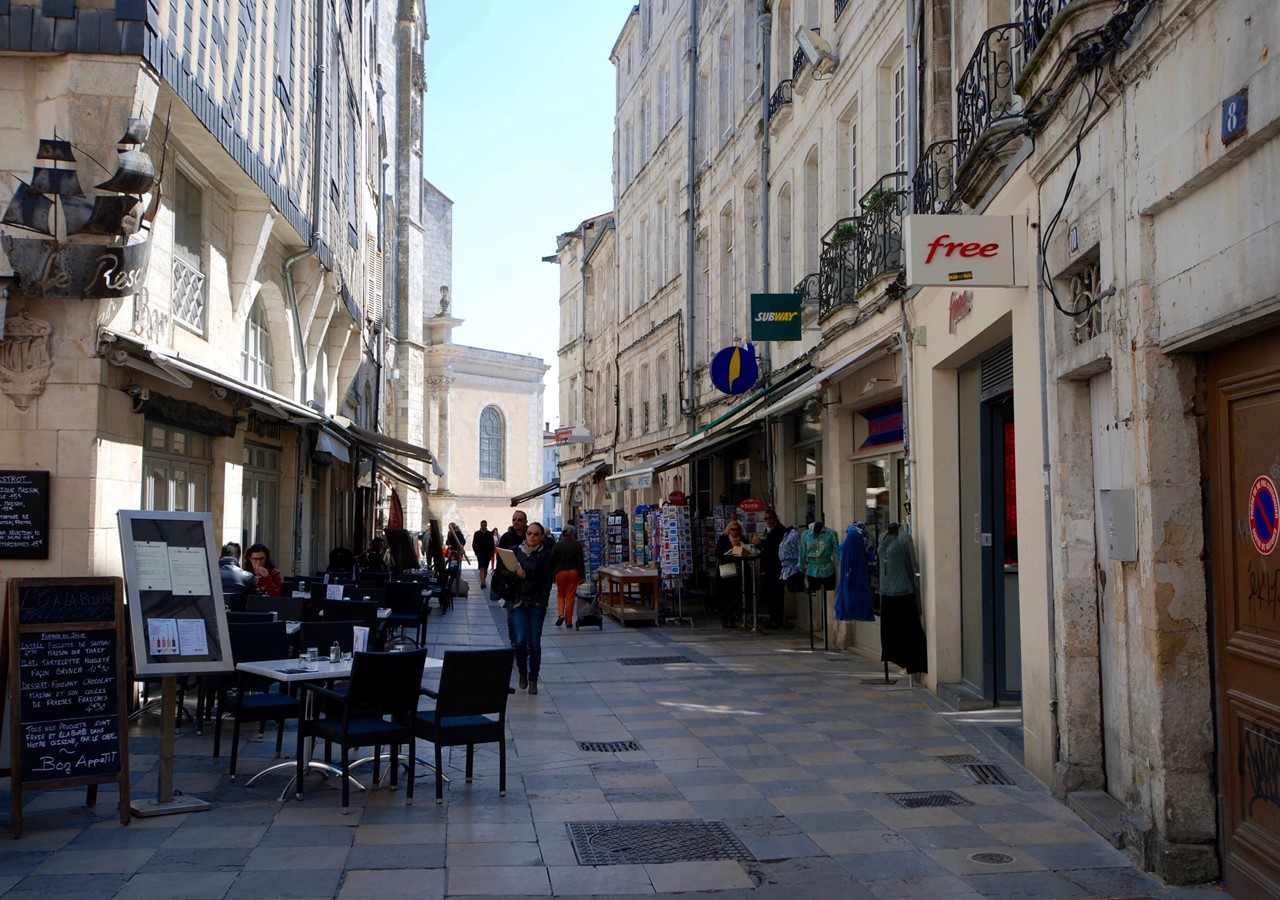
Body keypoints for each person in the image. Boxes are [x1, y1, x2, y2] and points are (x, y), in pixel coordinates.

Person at [507, 521, 554, 694]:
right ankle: (522, 671)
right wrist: (515, 574)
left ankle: (533, 678)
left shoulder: (546, 555)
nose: (532, 537)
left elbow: (548, 581)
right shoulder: (515, 552)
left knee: (534, 643)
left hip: (536, 604)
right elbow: (503, 572)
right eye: (529, 533)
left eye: (535, 534)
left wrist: (542, 601)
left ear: (541, 537)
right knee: (519, 642)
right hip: (519, 602)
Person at [878, 522, 927, 675]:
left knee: (909, 629)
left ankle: (915, 664)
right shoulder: (882, 537)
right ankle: (893, 657)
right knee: (888, 631)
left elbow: (913, 564)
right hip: (885, 590)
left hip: (903, 590)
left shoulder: (905, 538)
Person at [715, 520, 757, 628]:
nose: (735, 532)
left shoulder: (742, 540)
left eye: (738, 530)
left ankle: (733, 618)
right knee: (728, 596)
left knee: (739, 596)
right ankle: (726, 617)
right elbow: (719, 553)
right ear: (729, 530)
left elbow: (748, 551)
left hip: (741, 571)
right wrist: (731, 547)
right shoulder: (723, 539)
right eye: (733, 529)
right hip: (728, 571)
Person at [752, 509, 789, 626]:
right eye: (766, 518)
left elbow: (774, 546)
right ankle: (773, 617)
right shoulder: (768, 530)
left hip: (776, 566)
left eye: (770, 518)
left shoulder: (781, 530)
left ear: (775, 518)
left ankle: (777, 619)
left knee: (776, 593)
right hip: (768, 566)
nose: (768, 521)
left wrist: (761, 543)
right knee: (769, 593)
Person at [549, 524, 585, 627]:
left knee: (560, 594)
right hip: (574, 572)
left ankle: (560, 615)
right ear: (573, 533)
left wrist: (552, 576)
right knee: (570, 596)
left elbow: (552, 561)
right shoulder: (577, 545)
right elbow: (580, 561)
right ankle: (568, 621)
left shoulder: (557, 545)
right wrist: (582, 576)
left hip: (560, 572)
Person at [218, 541, 255, 609]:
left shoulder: (208, 575)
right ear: (238, 558)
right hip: (238, 617)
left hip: (213, 616)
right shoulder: (247, 576)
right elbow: (254, 605)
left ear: (220, 557)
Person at [473, 519, 496, 588]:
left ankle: (483, 580)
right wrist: (476, 552)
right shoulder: (477, 533)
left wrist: (491, 553)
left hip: (487, 554)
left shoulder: (489, 534)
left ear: (486, 526)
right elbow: (474, 544)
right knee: (482, 568)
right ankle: (482, 582)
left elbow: (492, 544)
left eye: (484, 525)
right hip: (480, 553)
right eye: (482, 525)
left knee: (485, 568)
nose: (483, 527)